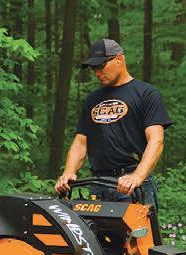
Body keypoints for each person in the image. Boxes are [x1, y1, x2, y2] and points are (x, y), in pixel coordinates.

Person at [54, 39, 172, 210]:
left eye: (101, 66)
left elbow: (156, 140)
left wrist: (138, 176)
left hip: (132, 184)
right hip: (98, 183)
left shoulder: (146, 94)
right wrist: (68, 172)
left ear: (119, 59)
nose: (97, 72)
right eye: (94, 68)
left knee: (138, 229)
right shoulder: (92, 100)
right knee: (94, 228)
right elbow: (80, 142)